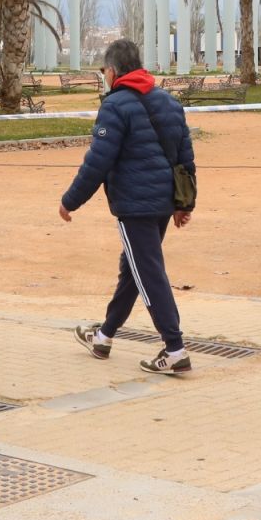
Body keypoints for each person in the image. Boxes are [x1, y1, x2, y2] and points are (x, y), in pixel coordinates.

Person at [63, 38, 198, 375]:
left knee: (148, 273)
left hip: (135, 204)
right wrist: (185, 203)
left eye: (103, 72)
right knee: (134, 270)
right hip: (164, 202)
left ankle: (175, 347)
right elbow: (185, 158)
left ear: (112, 70)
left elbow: (98, 161)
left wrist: (71, 200)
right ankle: (104, 336)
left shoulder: (115, 105)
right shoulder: (168, 102)